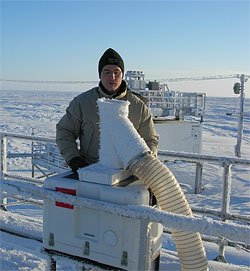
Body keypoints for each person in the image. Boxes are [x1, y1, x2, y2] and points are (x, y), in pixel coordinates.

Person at [56, 48, 158, 173]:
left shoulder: (138, 106)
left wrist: (146, 168)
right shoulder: (83, 103)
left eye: (117, 72)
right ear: (100, 75)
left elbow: (150, 139)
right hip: (91, 172)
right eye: (107, 72)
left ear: (122, 74)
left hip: (128, 175)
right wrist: (74, 159)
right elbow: (64, 131)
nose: (112, 77)